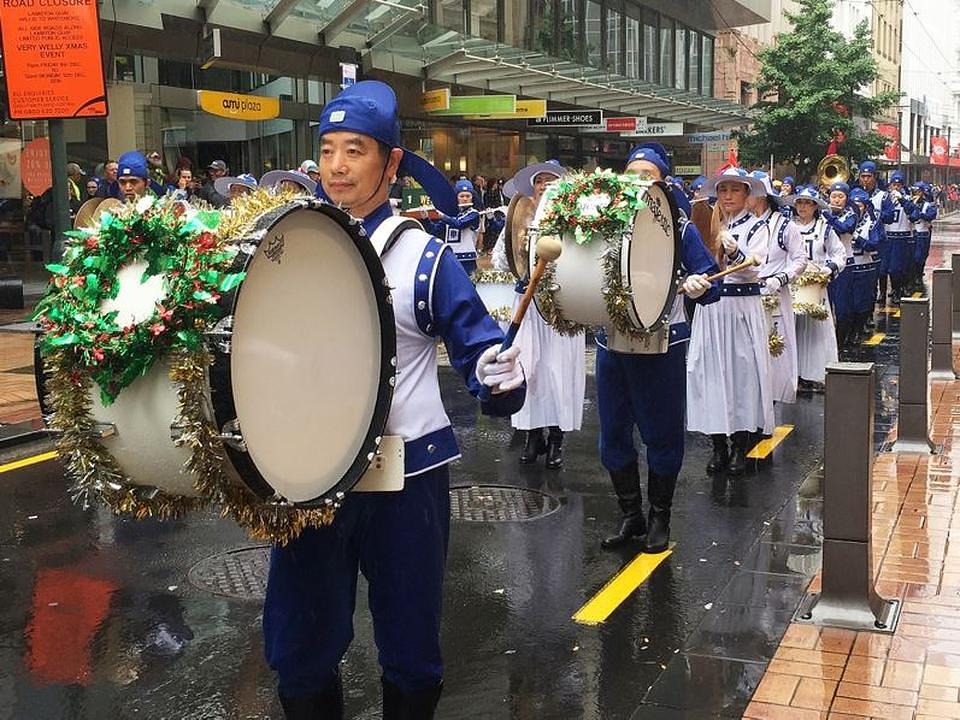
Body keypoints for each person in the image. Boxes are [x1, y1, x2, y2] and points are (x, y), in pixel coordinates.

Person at [263, 79, 526, 720]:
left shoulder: (426, 259)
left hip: (407, 476)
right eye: (327, 150)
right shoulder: (282, 248)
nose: (338, 166)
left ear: (392, 162)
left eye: (355, 150)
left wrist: (497, 374)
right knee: (301, 642)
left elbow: (479, 353)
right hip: (308, 474)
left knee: (409, 642)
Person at [596, 144, 720, 553]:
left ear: (663, 182)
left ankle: (659, 517)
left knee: (661, 433)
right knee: (613, 433)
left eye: (648, 175)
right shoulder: (604, 223)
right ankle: (630, 514)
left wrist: (701, 285)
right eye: (633, 174)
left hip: (663, 341)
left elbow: (711, 280)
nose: (640, 181)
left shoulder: (679, 227)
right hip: (612, 341)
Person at [491, 160, 585, 470]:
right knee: (528, 369)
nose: (545, 186)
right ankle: (531, 434)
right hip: (527, 308)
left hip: (559, 306)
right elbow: (499, 261)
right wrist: (516, 256)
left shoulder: (574, 222)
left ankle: (556, 438)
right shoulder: (517, 219)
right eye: (540, 181)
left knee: (557, 371)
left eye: (551, 181)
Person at [687, 168, 775, 476]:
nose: (727, 196)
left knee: (741, 374)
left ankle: (740, 445)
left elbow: (754, 269)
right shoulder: (705, 225)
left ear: (747, 195)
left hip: (741, 307)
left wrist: (736, 251)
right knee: (711, 372)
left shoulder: (757, 227)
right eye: (723, 190)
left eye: (734, 190)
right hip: (712, 307)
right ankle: (717, 446)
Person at [750, 170, 806, 407]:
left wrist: (781, 278)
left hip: (772, 294)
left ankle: (769, 403)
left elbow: (800, 259)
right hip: (743, 295)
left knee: (772, 350)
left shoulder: (784, 226)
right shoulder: (734, 223)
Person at [788, 186, 846, 388]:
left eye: (807, 203)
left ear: (815, 206)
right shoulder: (787, 227)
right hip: (791, 285)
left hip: (815, 287)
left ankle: (816, 374)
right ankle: (791, 375)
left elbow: (839, 254)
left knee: (816, 331)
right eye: (799, 202)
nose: (802, 206)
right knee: (790, 329)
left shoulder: (824, 229)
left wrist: (828, 269)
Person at [823, 182, 861, 350]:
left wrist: (829, 217)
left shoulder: (851, 215)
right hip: (826, 265)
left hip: (846, 265)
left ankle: (841, 339)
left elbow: (845, 228)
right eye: (833, 196)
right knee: (825, 303)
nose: (836, 200)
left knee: (843, 307)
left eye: (840, 197)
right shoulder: (822, 214)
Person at [856, 162, 894, 305]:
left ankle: (881, 294)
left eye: (868, 176)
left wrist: (875, 213)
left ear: (874, 177)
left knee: (879, 271)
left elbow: (890, 217)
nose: (865, 179)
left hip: (877, 238)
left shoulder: (883, 196)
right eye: (863, 176)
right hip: (858, 239)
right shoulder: (854, 194)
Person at [423, 179, 481, 274]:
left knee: (468, 286)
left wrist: (442, 216)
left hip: (467, 260)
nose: (465, 199)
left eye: (468, 196)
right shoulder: (450, 215)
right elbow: (433, 231)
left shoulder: (474, 214)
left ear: (472, 198)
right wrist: (425, 218)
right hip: (450, 258)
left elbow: (459, 224)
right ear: (456, 198)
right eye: (461, 196)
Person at [883, 170, 920, 304]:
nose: (896, 187)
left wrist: (902, 200)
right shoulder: (885, 199)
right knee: (885, 268)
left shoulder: (908, 199)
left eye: (899, 185)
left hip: (902, 237)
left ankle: (898, 289)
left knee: (897, 267)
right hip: (888, 237)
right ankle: (891, 289)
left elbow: (915, 216)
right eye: (894, 185)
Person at [912, 182, 938, 291]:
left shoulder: (927, 204)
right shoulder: (909, 202)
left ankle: (918, 275)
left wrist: (921, 214)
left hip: (923, 233)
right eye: (914, 191)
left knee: (920, 256)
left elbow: (931, 215)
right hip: (912, 234)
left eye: (918, 191)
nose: (916, 194)